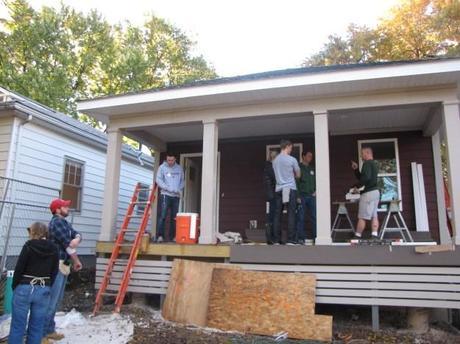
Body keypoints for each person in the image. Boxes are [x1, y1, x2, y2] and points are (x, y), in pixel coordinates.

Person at [8, 222, 58, 344]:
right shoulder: (54, 248)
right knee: (37, 326)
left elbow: (19, 268)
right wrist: (47, 286)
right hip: (43, 288)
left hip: (25, 287)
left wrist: (15, 286)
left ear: (33, 232)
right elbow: (54, 270)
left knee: (17, 326)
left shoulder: (28, 246)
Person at [43, 199, 83, 341]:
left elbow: (76, 234)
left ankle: (49, 329)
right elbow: (68, 245)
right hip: (57, 265)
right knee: (52, 300)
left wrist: (77, 238)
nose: (68, 208)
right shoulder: (57, 223)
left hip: (63, 265)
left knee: (57, 299)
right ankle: (43, 333)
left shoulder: (64, 222)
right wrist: (77, 261)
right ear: (58, 210)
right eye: (65, 206)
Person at [272, 140, 301, 245]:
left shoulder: (275, 161)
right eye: (291, 148)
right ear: (287, 146)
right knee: (291, 214)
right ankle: (290, 239)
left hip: (279, 189)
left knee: (277, 214)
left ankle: (276, 239)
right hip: (289, 188)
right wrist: (292, 174)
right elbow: (298, 175)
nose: (291, 150)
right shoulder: (292, 159)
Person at [351, 147, 380, 239]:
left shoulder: (367, 163)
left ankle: (358, 235)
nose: (361, 155)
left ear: (368, 153)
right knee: (374, 214)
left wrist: (357, 187)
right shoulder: (374, 164)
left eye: (362, 153)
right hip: (376, 192)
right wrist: (356, 170)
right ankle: (374, 234)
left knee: (362, 216)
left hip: (368, 193)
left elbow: (366, 178)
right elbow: (364, 177)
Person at [155, 153, 185, 242]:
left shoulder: (179, 168)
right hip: (165, 195)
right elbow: (158, 180)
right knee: (163, 216)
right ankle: (160, 236)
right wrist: (168, 188)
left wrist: (179, 189)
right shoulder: (162, 167)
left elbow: (182, 181)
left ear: (175, 159)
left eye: (172, 160)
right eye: (168, 160)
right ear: (166, 159)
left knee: (175, 218)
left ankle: (173, 237)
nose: (170, 162)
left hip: (175, 196)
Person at [296, 151, 317, 245]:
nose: (310, 158)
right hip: (302, 196)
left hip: (312, 196)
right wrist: (297, 196)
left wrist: (316, 191)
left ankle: (316, 236)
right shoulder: (298, 168)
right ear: (303, 156)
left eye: (311, 156)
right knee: (301, 217)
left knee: (314, 216)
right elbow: (296, 183)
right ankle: (301, 238)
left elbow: (317, 181)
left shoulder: (312, 169)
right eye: (308, 156)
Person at [263, 150, 278, 244]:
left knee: (272, 216)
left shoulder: (269, 166)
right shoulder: (270, 167)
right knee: (272, 216)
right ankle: (270, 238)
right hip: (272, 195)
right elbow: (275, 179)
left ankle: (272, 237)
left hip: (271, 195)